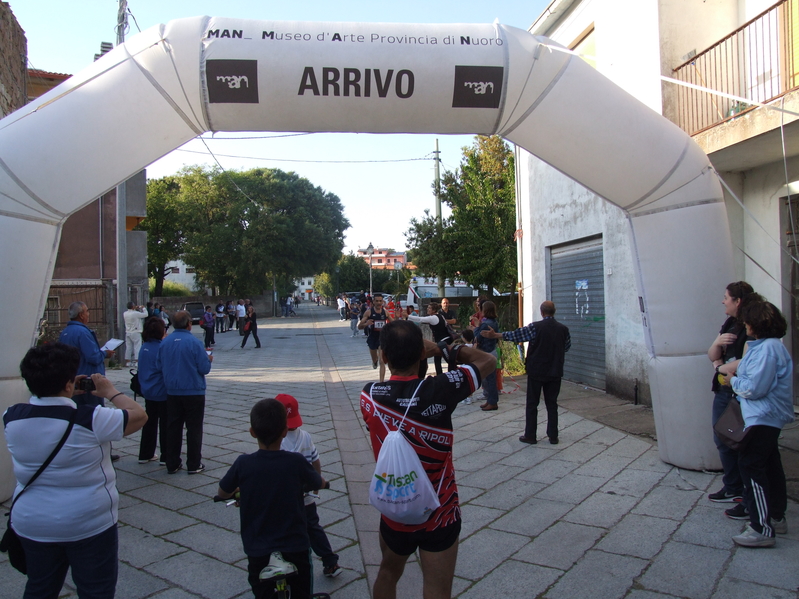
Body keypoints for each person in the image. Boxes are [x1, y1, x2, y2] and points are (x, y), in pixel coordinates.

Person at [360, 320, 495, 599]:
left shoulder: (369, 395)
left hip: (395, 507)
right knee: (437, 589)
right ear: (422, 353)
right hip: (440, 511)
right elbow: (488, 360)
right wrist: (447, 350)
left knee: (387, 573)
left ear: (383, 356)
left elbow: (395, 392)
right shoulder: (442, 389)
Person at [3, 343, 147, 598]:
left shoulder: (11, 416)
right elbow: (138, 415)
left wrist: (63, 392)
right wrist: (110, 391)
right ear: (69, 384)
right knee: (95, 590)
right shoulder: (92, 419)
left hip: (32, 522)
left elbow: (46, 408)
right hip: (87, 522)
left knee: (39, 587)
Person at [218, 398, 326, 599]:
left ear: (252, 432)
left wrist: (230, 494)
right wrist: (324, 483)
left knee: (260, 587)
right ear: (285, 431)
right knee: (302, 587)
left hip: (258, 547)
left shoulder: (243, 463)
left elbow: (223, 491)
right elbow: (317, 481)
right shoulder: (295, 461)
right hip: (295, 545)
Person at [721, 299, 793, 547]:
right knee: (770, 465)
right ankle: (775, 515)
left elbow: (756, 388)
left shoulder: (768, 350)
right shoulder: (766, 347)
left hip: (762, 417)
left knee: (751, 467)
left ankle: (760, 527)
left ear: (757, 323)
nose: (745, 325)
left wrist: (733, 382)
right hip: (765, 416)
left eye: (747, 321)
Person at [483, 300, 570, 444]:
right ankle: (553, 435)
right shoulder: (563, 329)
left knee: (532, 403)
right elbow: (566, 346)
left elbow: (516, 335)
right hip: (555, 371)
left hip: (537, 370)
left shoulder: (535, 327)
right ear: (554, 311)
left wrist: (496, 335)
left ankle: (530, 435)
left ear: (542, 312)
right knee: (552, 403)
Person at [276, 393, 342, 579]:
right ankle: (330, 561)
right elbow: (316, 461)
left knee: (283, 529)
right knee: (313, 527)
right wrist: (317, 481)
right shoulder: (305, 436)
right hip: (305, 496)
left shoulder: (276, 441)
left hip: (284, 498)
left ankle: (286, 562)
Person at [706, 281, 754, 506]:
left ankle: (747, 492)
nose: (723, 301)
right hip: (724, 388)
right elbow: (713, 354)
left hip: (741, 391)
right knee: (721, 436)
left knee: (742, 442)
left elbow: (751, 361)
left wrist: (721, 367)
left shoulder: (752, 326)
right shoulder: (730, 323)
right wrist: (717, 343)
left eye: (726, 297)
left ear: (738, 301)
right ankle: (732, 485)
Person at [157, 310, 213, 474]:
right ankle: (194, 463)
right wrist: (208, 360)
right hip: (193, 390)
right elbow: (204, 368)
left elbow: (159, 366)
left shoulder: (165, 343)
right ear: (189, 324)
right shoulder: (194, 342)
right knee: (194, 428)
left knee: (173, 427)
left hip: (172, 391)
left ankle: (172, 462)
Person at [58, 301, 115, 408]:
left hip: (72, 379)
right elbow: (93, 357)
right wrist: (105, 354)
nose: (88, 314)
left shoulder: (65, 332)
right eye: (87, 311)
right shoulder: (83, 332)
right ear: (81, 315)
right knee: (92, 413)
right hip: (87, 380)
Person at [137, 316, 168, 465]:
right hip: (161, 390)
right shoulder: (161, 348)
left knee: (149, 422)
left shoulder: (144, 347)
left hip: (147, 389)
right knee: (166, 424)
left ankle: (145, 453)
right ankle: (166, 455)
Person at [407, 302, 453, 375]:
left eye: (429, 308)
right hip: (447, 339)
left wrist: (408, 316)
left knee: (438, 359)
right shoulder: (441, 316)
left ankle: (440, 376)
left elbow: (420, 319)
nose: (427, 309)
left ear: (434, 310)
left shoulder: (433, 318)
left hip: (442, 341)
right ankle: (444, 374)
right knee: (445, 358)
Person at [358, 293, 393, 382]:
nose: (378, 303)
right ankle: (374, 362)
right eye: (377, 301)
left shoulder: (385, 312)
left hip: (382, 338)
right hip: (372, 338)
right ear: (373, 302)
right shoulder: (369, 312)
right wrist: (366, 324)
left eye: (380, 301)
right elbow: (359, 326)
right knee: (375, 359)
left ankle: (381, 382)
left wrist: (397, 318)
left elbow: (394, 324)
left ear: (382, 301)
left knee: (382, 360)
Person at [473, 301, 500, 411]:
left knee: (490, 379)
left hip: (486, 352)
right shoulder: (494, 322)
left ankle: (493, 401)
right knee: (490, 378)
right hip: (492, 350)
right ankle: (490, 400)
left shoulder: (485, 324)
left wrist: (475, 327)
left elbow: (477, 337)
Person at [122, 302, 147, 367]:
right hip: (136, 331)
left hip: (128, 331)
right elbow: (146, 314)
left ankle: (128, 362)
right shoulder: (135, 313)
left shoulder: (125, 313)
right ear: (133, 307)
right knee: (137, 346)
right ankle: (137, 361)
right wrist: (143, 308)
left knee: (128, 347)